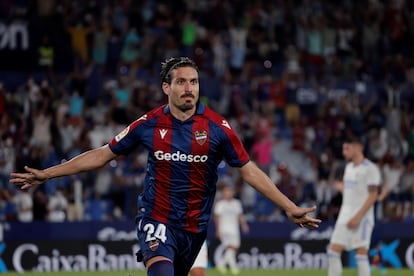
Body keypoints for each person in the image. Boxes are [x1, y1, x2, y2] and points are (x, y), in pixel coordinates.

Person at [10, 57, 321, 276]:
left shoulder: (218, 128)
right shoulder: (148, 124)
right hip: (156, 219)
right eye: (182, 82)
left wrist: (288, 206)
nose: (189, 88)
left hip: (194, 228)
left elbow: (248, 169)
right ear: (166, 88)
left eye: (194, 82)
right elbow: (103, 154)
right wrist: (48, 174)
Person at [327, 136, 381, 276]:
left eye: (347, 148)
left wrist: (357, 217)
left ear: (358, 148)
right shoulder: (349, 167)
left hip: (362, 218)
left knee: (360, 253)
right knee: (333, 250)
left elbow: (373, 195)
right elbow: (354, 191)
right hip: (345, 215)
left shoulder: (370, 169)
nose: (344, 152)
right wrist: (342, 189)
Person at [214, 185, 249, 275]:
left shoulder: (236, 203)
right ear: (223, 194)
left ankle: (223, 264)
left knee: (235, 247)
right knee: (230, 247)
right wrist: (218, 229)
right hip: (224, 229)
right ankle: (233, 268)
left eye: (229, 192)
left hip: (235, 229)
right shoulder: (220, 204)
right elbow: (217, 217)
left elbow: (240, 215)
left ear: (232, 193)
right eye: (225, 192)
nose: (227, 194)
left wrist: (244, 225)